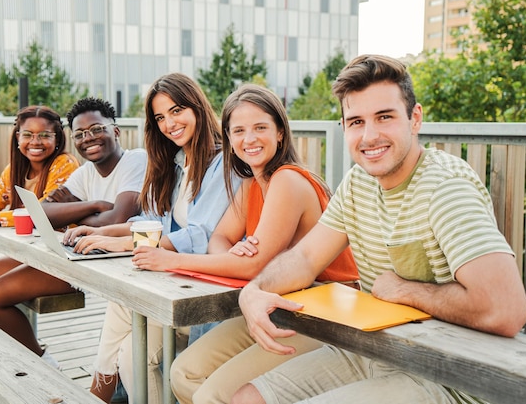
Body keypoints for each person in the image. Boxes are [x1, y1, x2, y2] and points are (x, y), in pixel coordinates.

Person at [233, 54, 526, 404]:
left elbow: (506, 309)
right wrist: (254, 290)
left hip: (450, 376)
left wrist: (405, 290)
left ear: (414, 118)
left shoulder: (446, 188)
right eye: (357, 121)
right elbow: (306, 257)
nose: (370, 135)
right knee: (247, 399)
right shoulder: (360, 181)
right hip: (377, 351)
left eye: (384, 117)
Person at [126, 83, 358, 404]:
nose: (249, 139)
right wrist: (233, 251)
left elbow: (254, 266)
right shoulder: (251, 184)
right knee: (184, 373)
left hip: (323, 318)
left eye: (260, 128)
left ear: (280, 133)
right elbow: (219, 240)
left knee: (211, 394)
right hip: (276, 307)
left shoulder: (288, 180)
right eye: (238, 131)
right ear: (230, 140)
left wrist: (170, 260)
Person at [64, 73, 237, 404]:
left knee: (121, 300)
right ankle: (99, 392)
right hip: (175, 282)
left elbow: (200, 236)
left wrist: (124, 243)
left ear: (198, 108)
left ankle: (94, 395)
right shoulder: (177, 163)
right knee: (131, 354)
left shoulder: (223, 162)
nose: (169, 123)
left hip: (206, 297)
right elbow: (153, 223)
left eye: (176, 111)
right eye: (160, 117)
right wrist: (102, 232)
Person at [0, 97, 147, 369]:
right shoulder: (85, 173)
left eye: (97, 129)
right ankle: (17, 357)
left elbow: (118, 217)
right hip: (72, 251)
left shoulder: (136, 160)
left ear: (116, 131)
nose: (89, 138)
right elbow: (42, 211)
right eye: (81, 133)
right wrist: (95, 207)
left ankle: (41, 363)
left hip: (106, 263)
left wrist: (77, 212)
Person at [0, 105, 79, 233]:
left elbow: (41, 212)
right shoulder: (15, 169)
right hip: (30, 243)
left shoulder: (65, 163)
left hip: (65, 243)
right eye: (27, 134)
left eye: (44, 135)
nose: (35, 142)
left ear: (57, 139)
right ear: (18, 138)